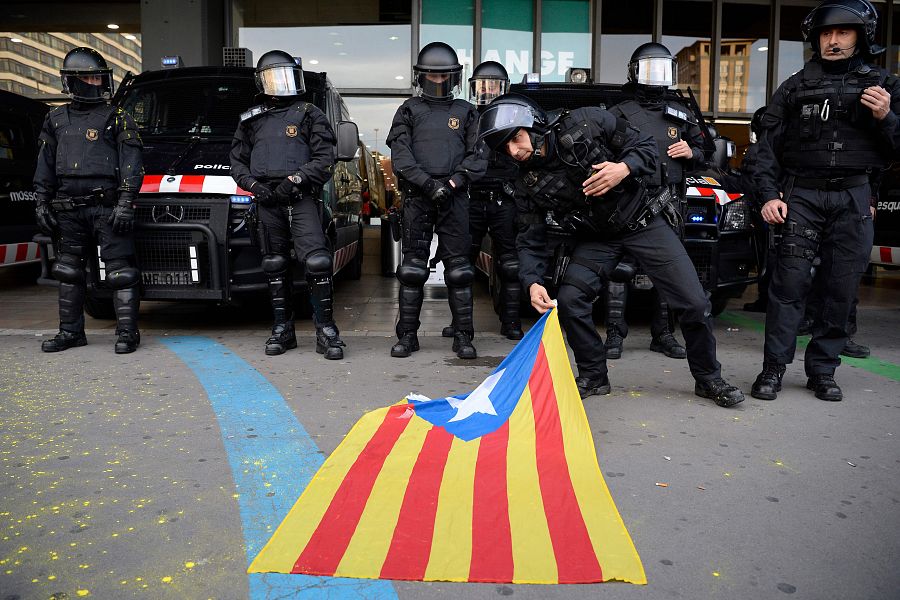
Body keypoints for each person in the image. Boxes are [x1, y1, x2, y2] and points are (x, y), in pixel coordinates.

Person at [477, 94, 745, 406]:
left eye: (516, 138)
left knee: (694, 303)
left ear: (535, 125)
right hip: (598, 237)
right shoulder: (526, 181)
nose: (514, 151)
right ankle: (593, 375)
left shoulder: (587, 122)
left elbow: (645, 147)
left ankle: (709, 378)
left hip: (644, 222)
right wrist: (532, 281)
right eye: (504, 148)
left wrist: (623, 168)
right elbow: (530, 236)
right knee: (570, 300)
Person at [750, 0, 899, 402]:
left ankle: (822, 371)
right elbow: (764, 149)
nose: (833, 41)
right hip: (803, 194)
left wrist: (888, 117)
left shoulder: (884, 85)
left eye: (843, 33)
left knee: (841, 287)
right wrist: (767, 194)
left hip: (853, 195)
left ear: (861, 36)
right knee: (788, 285)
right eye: (826, 34)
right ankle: (773, 370)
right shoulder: (796, 86)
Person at [230, 50, 345, 359]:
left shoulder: (309, 113)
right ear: (260, 82)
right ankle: (283, 330)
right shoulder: (251, 119)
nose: (280, 84)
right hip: (267, 201)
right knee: (274, 264)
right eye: (273, 77)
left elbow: (325, 159)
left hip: (300, 197)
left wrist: (295, 180)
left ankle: (326, 330)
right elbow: (236, 163)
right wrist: (254, 186)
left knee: (317, 262)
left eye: (286, 76)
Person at [33, 47, 144, 354]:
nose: (99, 83)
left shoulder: (118, 117)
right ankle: (70, 332)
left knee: (120, 272)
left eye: (100, 77)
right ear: (74, 81)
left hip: (107, 207)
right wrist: (41, 201)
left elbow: (132, 163)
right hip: (69, 207)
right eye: (92, 78)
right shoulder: (55, 119)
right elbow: (45, 163)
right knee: (68, 270)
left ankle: (127, 334)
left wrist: (125, 202)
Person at [603, 43, 708, 361]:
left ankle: (663, 334)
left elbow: (705, 155)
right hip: (629, 202)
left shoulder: (682, 112)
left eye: (663, 69)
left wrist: (691, 153)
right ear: (635, 72)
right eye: (649, 69)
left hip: (669, 203)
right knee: (619, 270)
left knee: (669, 274)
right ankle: (614, 335)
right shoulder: (617, 113)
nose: (656, 77)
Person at [386, 42, 486, 359]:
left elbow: (478, 156)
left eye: (444, 75)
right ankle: (407, 336)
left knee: (459, 270)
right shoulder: (408, 110)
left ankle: (463, 336)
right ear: (421, 76)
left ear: (454, 77)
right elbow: (400, 156)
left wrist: (454, 182)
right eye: (433, 74)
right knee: (413, 269)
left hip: (455, 197)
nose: (438, 80)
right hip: (418, 196)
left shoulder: (467, 111)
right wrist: (428, 184)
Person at [441, 60, 523, 341]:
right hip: (471, 198)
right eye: (481, 86)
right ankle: (459, 323)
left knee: (510, 264)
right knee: (461, 265)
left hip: (503, 199)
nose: (487, 92)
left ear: (504, 88)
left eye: (493, 86)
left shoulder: (515, 117)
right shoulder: (466, 116)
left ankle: (511, 322)